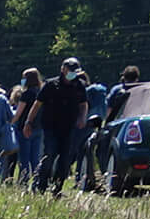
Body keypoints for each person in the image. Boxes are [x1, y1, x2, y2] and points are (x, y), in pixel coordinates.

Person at [32, 59, 92, 194]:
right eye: (70, 71)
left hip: (69, 128)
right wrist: (28, 122)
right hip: (50, 127)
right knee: (49, 155)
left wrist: (82, 118)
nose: (72, 74)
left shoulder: (79, 86)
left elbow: (83, 104)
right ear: (63, 70)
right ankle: (41, 185)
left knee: (65, 159)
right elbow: (37, 104)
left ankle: (57, 188)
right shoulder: (50, 85)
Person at [13, 68, 47, 182]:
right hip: (39, 128)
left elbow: (19, 113)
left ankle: (23, 181)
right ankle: (37, 181)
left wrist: (10, 122)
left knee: (24, 158)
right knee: (35, 158)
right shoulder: (42, 92)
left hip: (25, 128)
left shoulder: (26, 94)